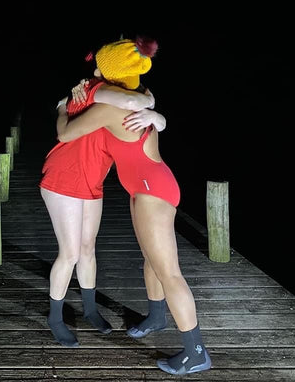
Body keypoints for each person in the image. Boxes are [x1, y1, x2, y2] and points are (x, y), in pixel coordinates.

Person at [55, 38, 212, 375]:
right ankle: (156, 316)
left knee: (169, 272)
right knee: (151, 261)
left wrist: (61, 108)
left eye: (99, 66)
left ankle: (196, 352)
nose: (94, 70)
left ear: (108, 73)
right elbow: (142, 99)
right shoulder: (138, 93)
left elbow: (66, 134)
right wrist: (156, 114)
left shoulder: (110, 108)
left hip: (151, 193)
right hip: (150, 185)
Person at [39, 45, 166, 348]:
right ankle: (55, 317)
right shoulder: (94, 90)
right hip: (62, 177)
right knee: (69, 252)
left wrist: (156, 115)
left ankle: (91, 309)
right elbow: (129, 98)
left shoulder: (125, 97)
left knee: (87, 247)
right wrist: (150, 104)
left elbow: (137, 99)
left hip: (92, 180)